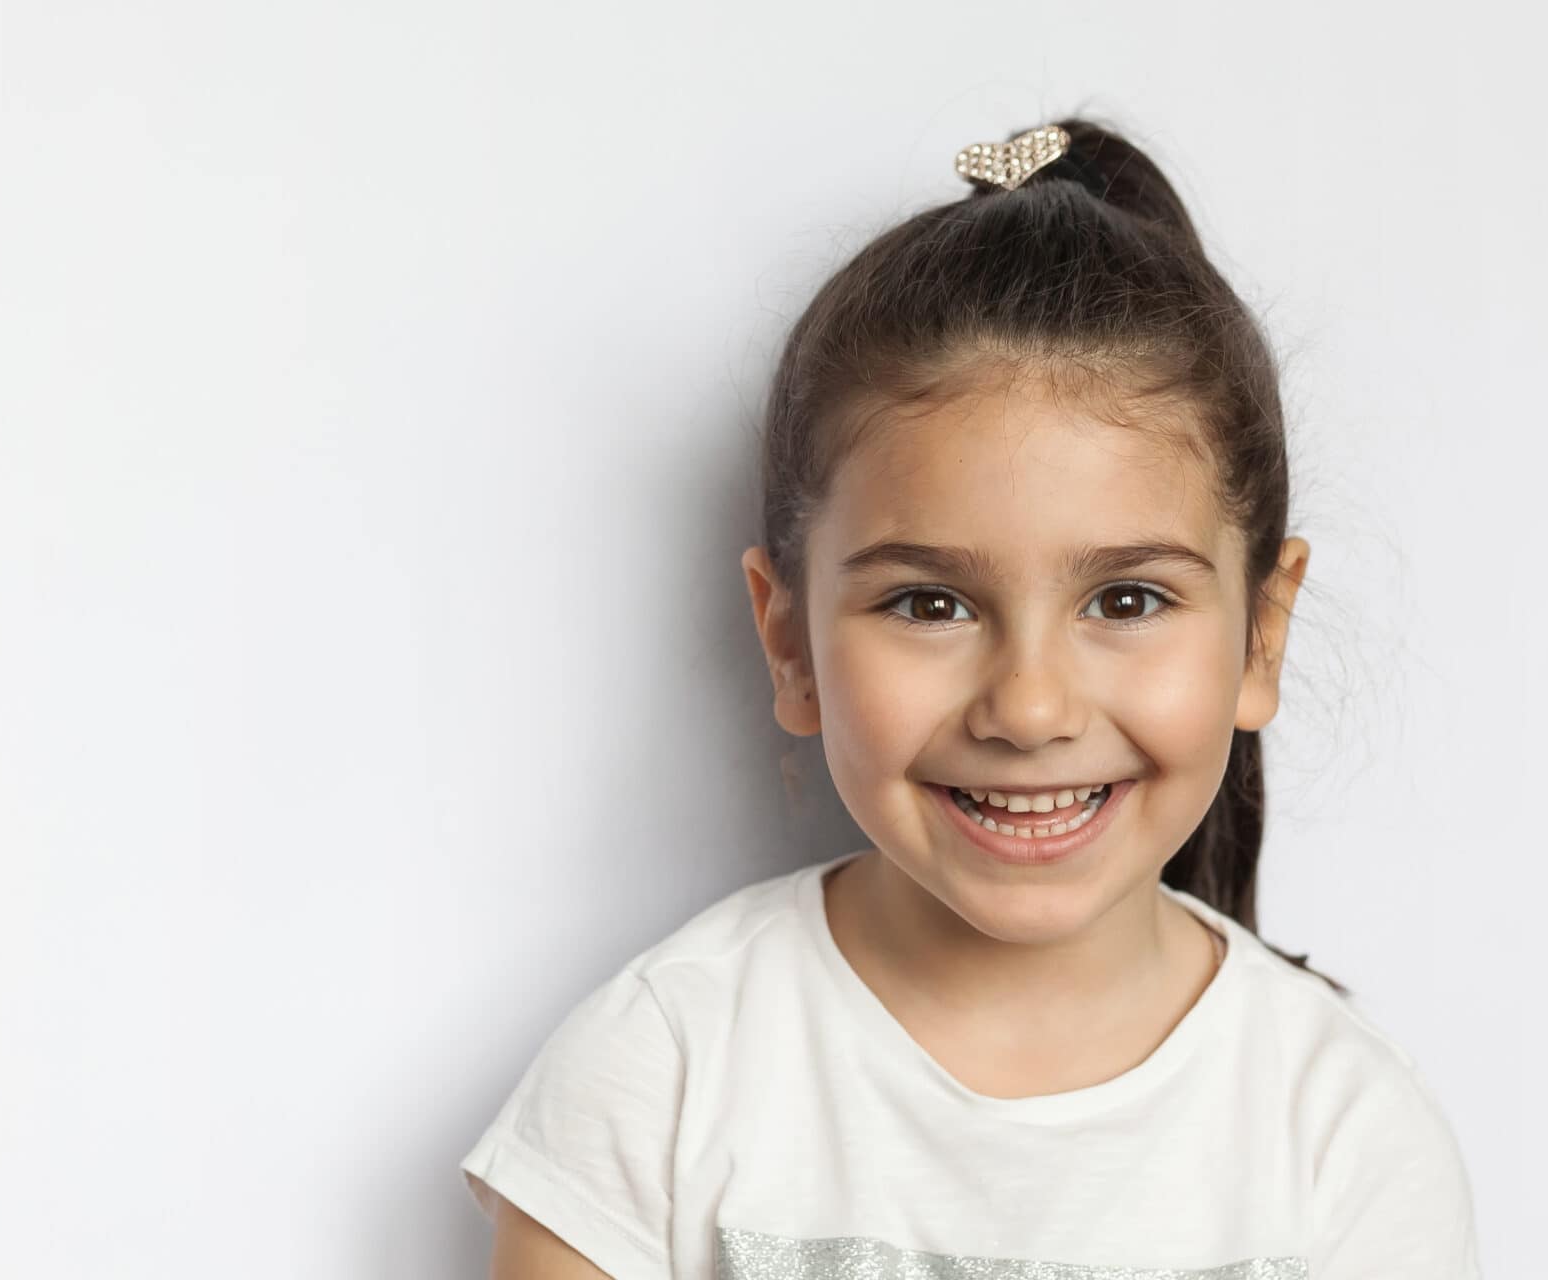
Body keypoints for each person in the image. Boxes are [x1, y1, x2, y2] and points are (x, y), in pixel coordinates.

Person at [459, 116, 1482, 1279]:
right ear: (788, 640)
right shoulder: (659, 1073)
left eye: (1130, 599)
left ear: (1261, 633)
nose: (1030, 707)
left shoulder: (1345, 1138)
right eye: (931, 605)